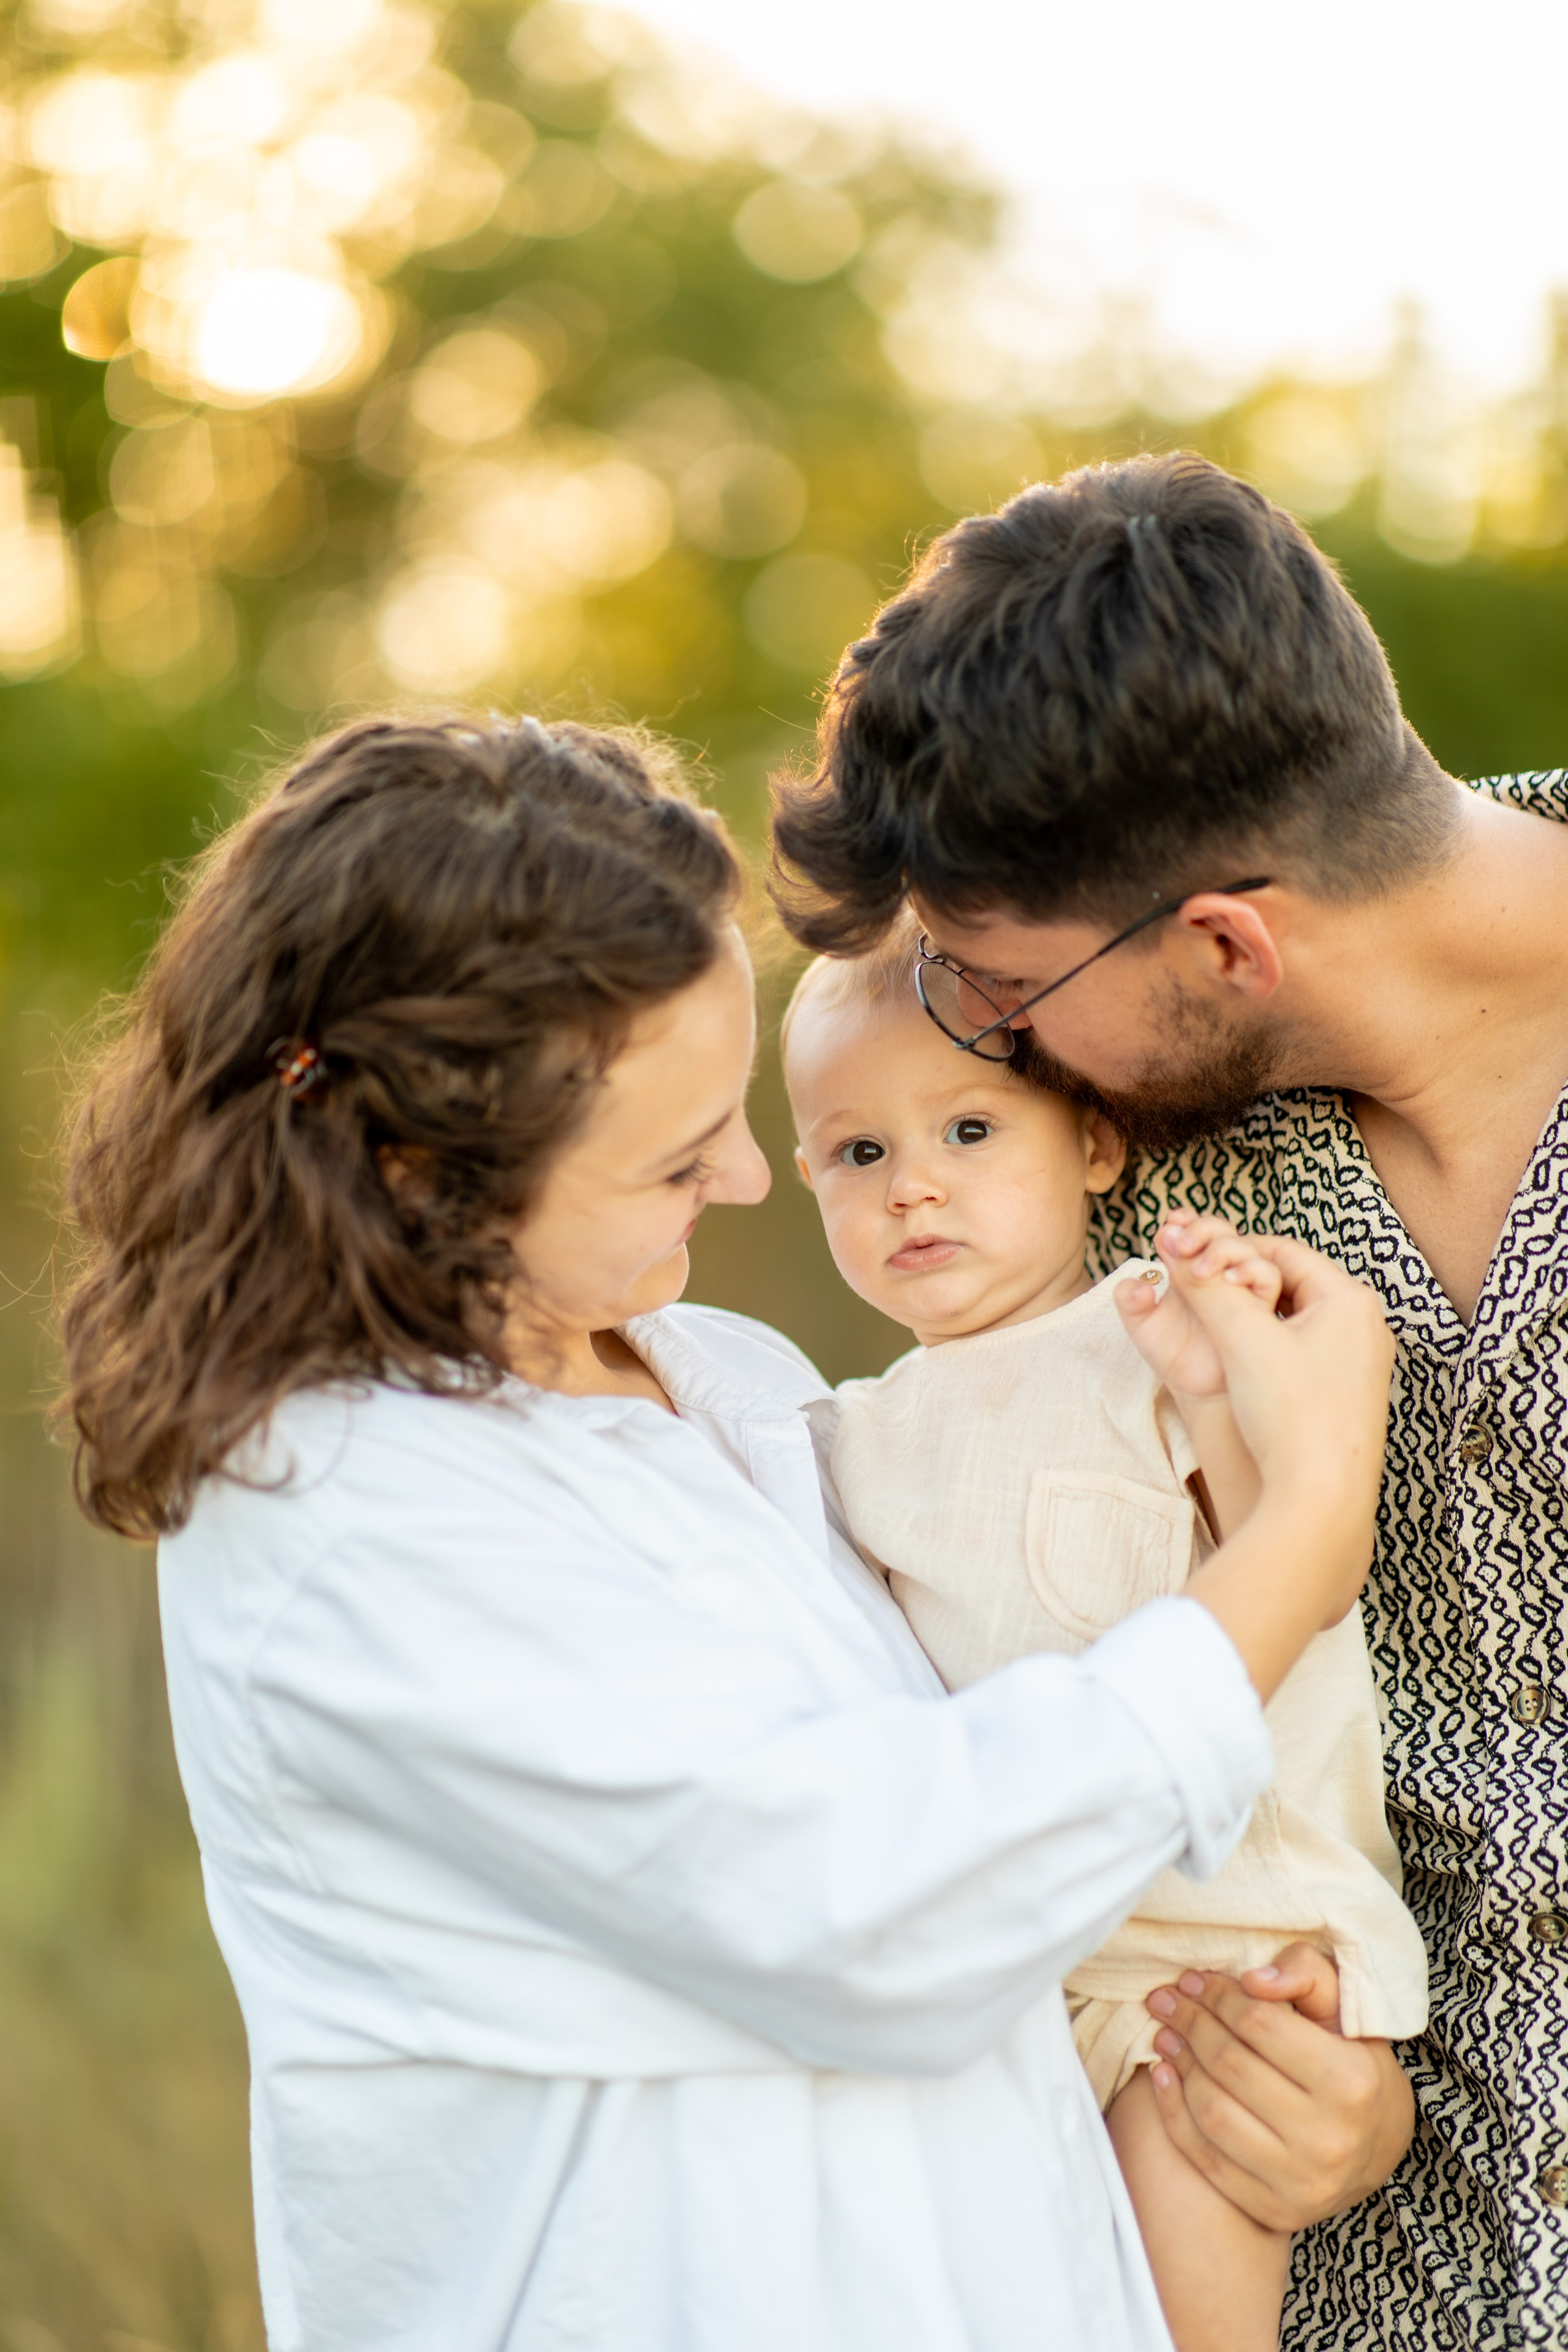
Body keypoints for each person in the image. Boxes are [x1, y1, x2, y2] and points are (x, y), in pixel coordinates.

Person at [59, 714, 1399, 2352]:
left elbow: (1028, 1816)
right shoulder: (353, 1524)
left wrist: (1306, 2096)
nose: (758, 1181)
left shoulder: (730, 1379)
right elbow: (875, 1906)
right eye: (681, 1154)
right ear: (419, 1172)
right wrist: (1303, 1536)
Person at [771, 448, 1568, 2350]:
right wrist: (1351, 2108)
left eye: (996, 987)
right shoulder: (1109, 1185)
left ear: (1223, 944)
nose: (978, 1043)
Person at [780, 926, 1428, 2351]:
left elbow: (1300, 1568)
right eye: (857, 1155)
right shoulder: (850, 1435)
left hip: (1222, 1958)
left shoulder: (1151, 1332)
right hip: (1023, 1964)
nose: (916, 1187)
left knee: (1183, 2282)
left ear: (1089, 1143)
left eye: (964, 1129)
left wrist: (1216, 1387)